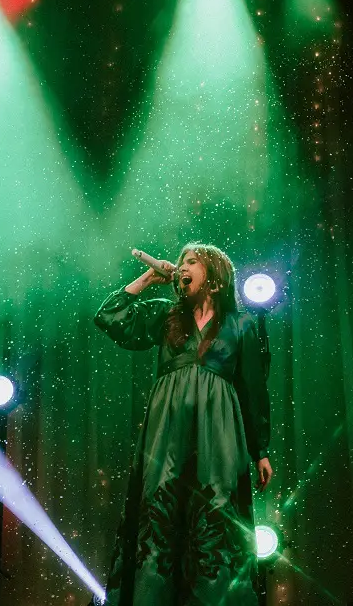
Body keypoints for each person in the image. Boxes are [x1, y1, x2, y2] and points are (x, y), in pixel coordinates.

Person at [95, 243, 272, 606]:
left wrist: (260, 451)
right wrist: (148, 278)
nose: (183, 267)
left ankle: (214, 595)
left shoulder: (241, 324)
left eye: (192, 262)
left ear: (217, 278)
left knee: (215, 502)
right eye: (180, 263)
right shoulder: (167, 315)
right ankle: (152, 593)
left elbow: (253, 390)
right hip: (168, 424)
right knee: (162, 503)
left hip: (218, 426)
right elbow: (110, 317)